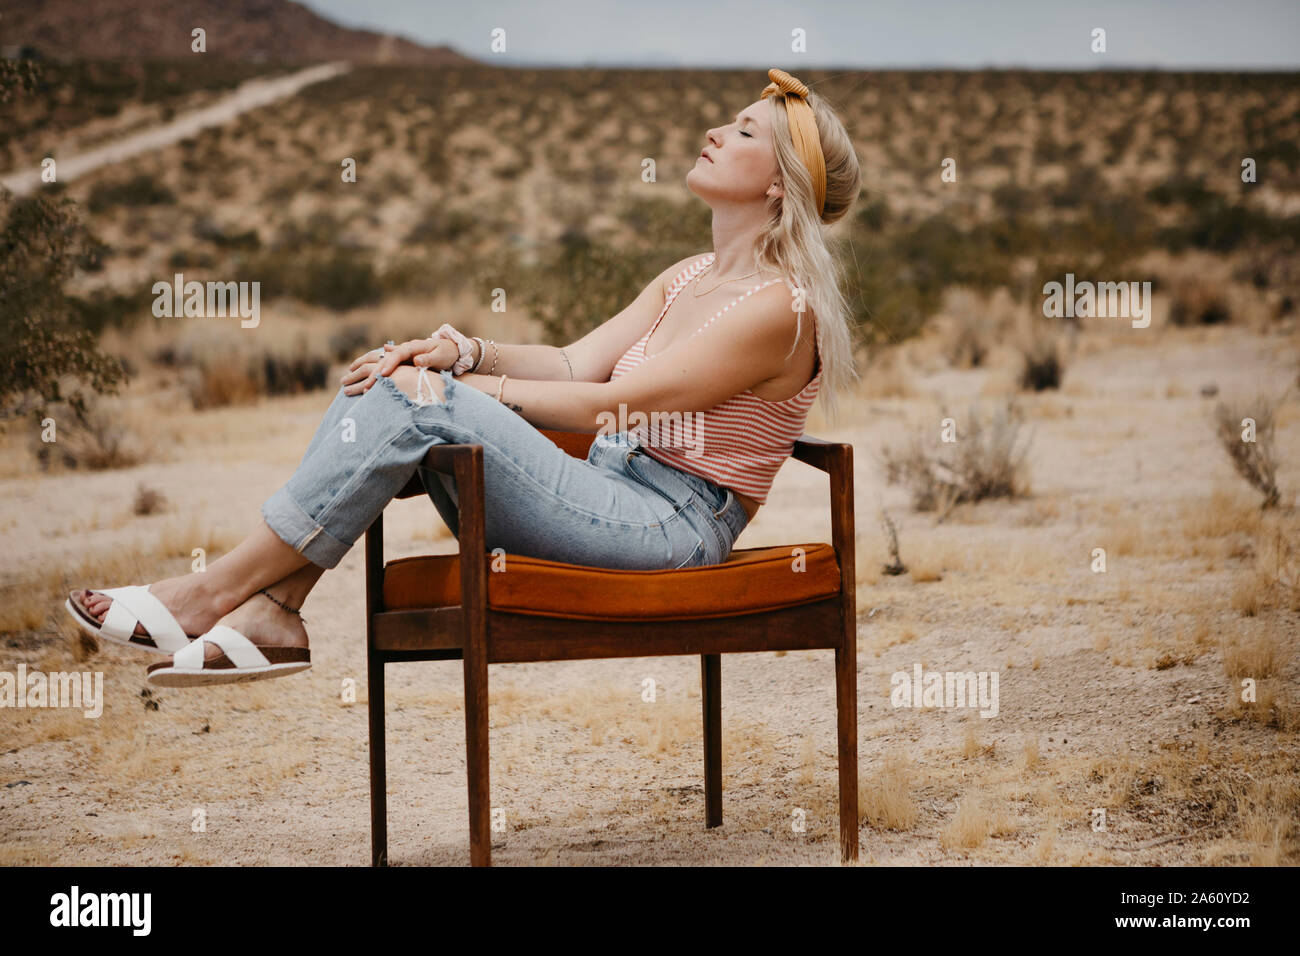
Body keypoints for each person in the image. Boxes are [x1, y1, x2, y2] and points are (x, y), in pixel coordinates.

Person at [63, 68, 862, 687]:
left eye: (745, 129)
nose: (716, 130)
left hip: (669, 528)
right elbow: (574, 363)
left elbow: (613, 405)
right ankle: (274, 611)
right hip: (606, 493)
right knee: (400, 385)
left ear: (776, 182)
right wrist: (458, 354)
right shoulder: (685, 276)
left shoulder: (778, 310)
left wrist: (457, 396)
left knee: (416, 402)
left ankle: (205, 596)